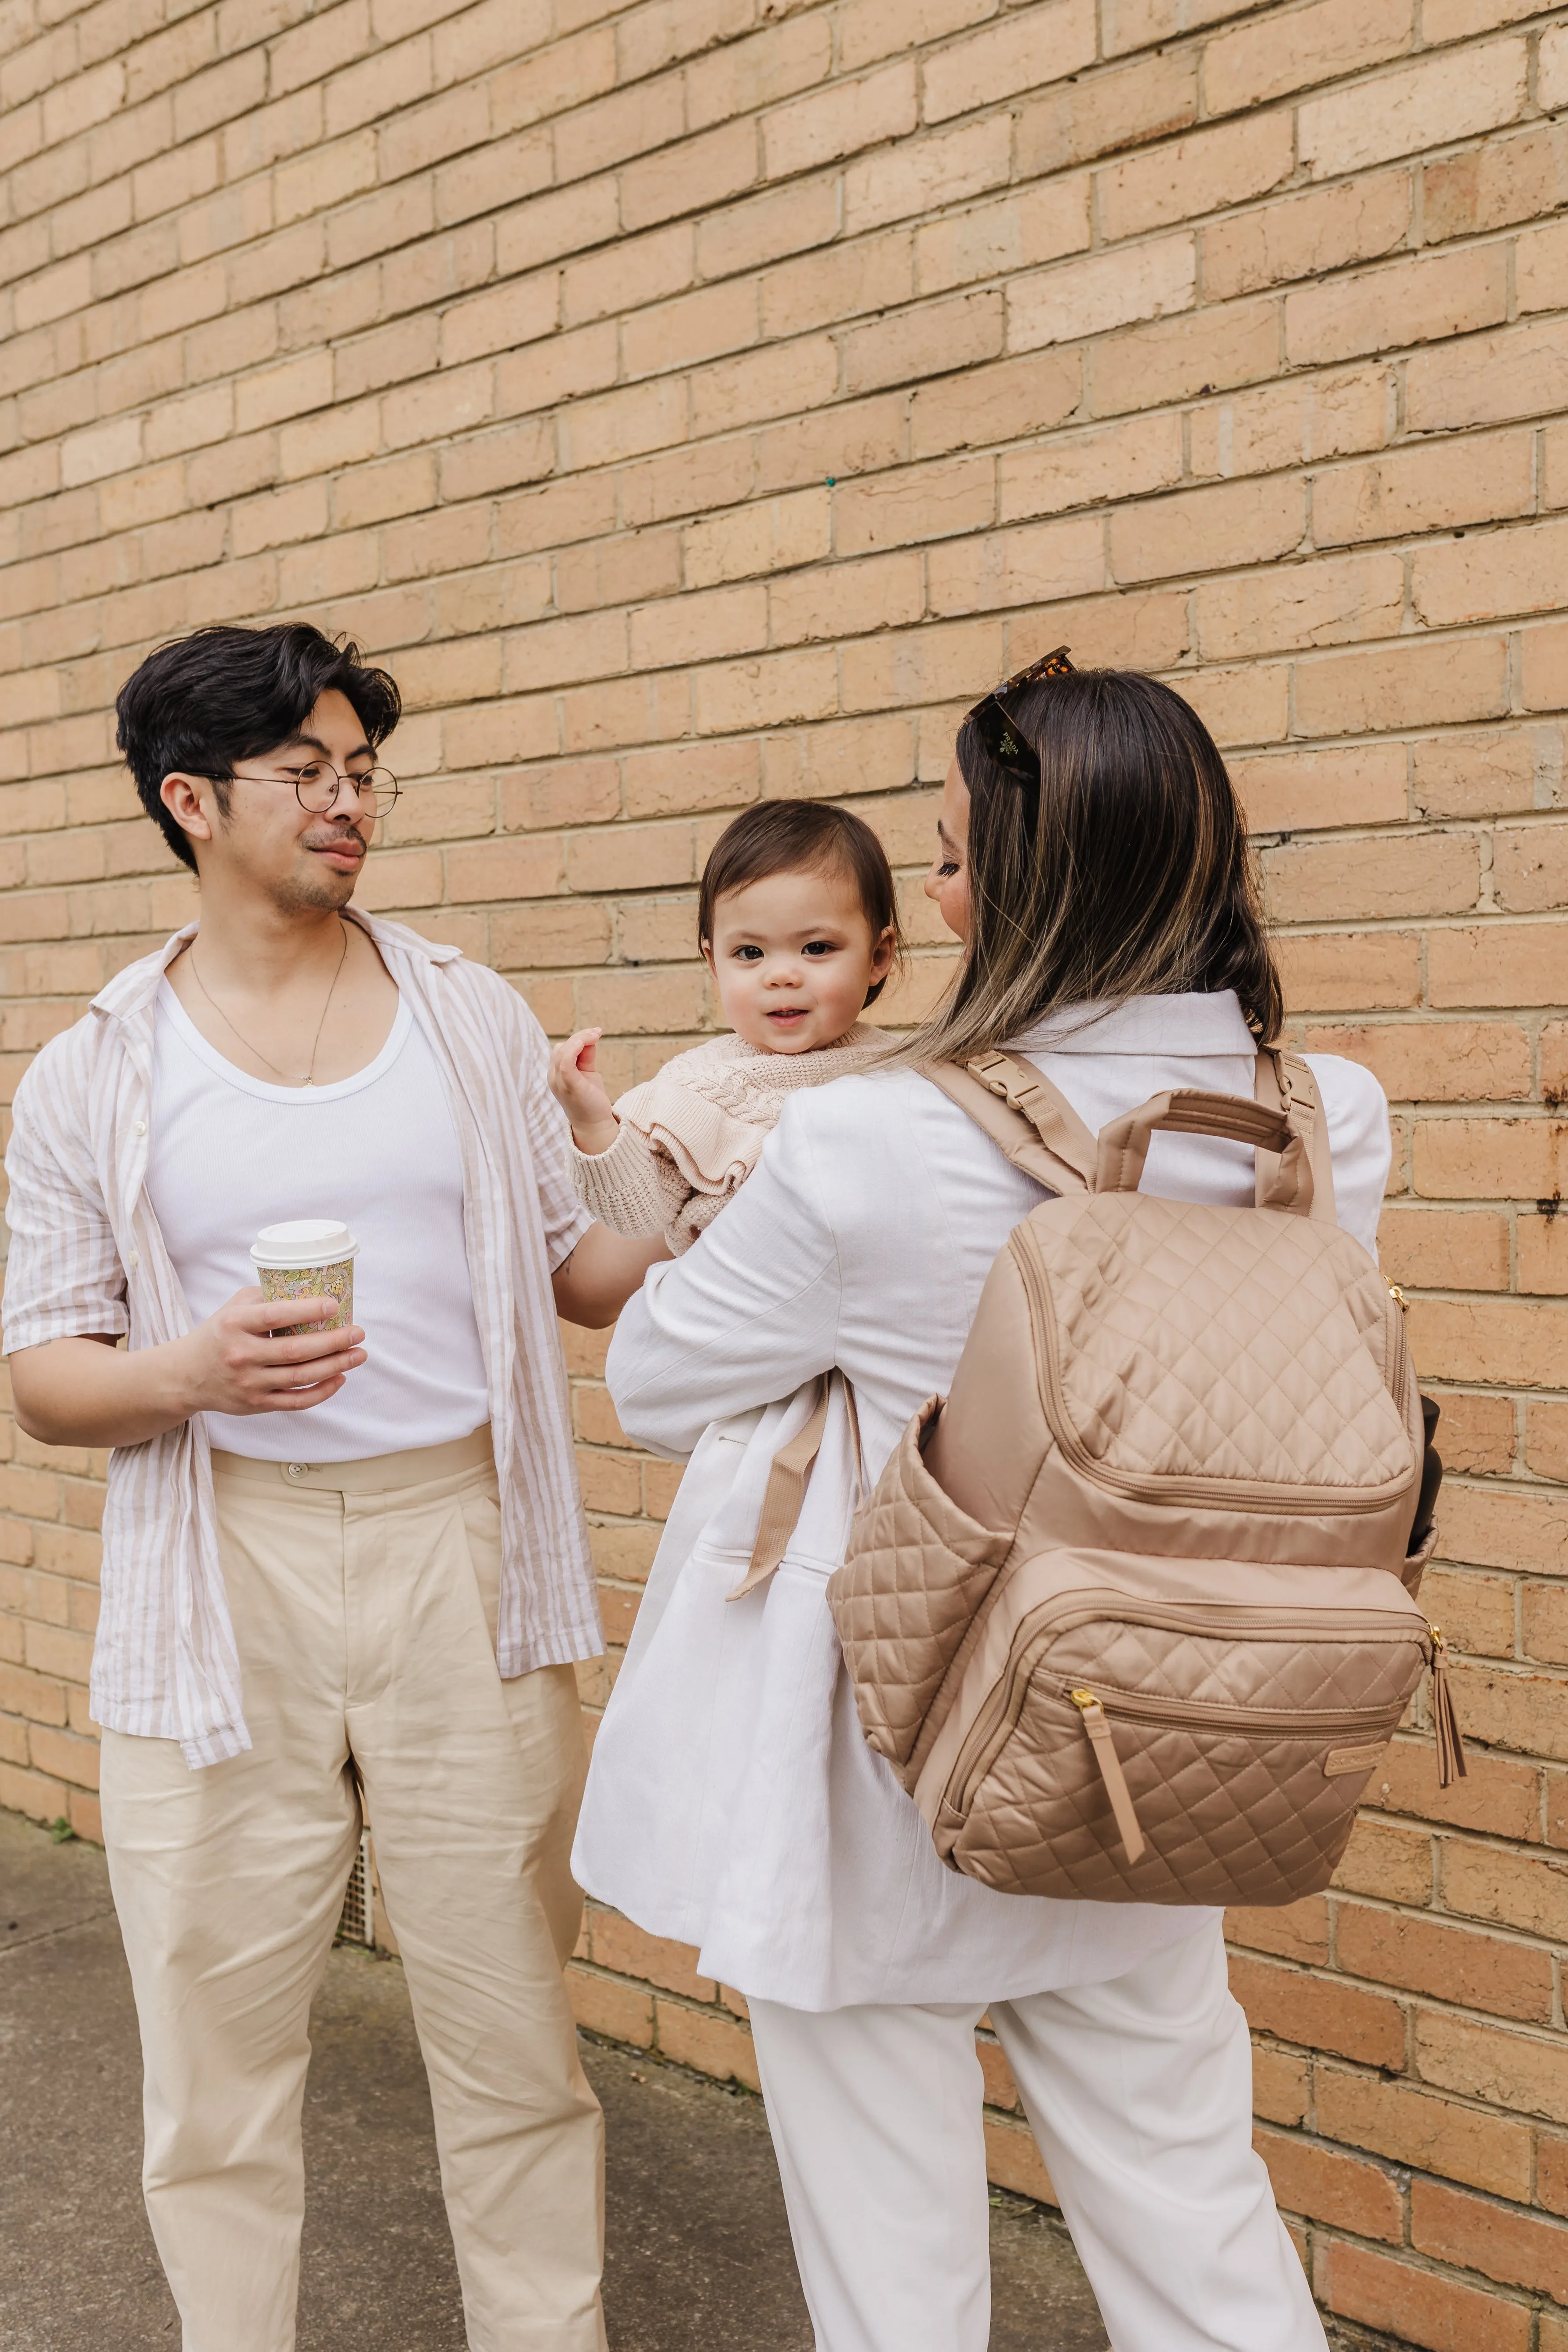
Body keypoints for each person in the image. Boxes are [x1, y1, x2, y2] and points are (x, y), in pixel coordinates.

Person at [586, 659, 1386, 2352]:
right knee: (1195, 2208)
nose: (935, 891)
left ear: (1028, 877)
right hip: (1159, 1729)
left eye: (951, 856)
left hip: (887, 1734)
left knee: (900, 2276)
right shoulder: (1323, 1122)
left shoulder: (871, 1137)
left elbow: (651, 1376)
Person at [2, 622, 659, 2352]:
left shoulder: (466, 1011)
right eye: (312, 770)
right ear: (190, 798)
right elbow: (47, 1374)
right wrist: (190, 1373)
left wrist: (605, 1142)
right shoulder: (96, 1068)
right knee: (212, 2053)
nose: (352, 800)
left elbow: (589, 1282)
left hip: (462, 1539)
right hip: (223, 1562)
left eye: (365, 768)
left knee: (514, 2029)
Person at [548, 799, 899, 1254]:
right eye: (751, 953)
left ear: (878, 956)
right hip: (738, 1312)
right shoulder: (700, 1086)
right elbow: (637, 1214)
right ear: (714, 962)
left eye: (816, 947)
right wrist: (592, 1122)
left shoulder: (905, 1071)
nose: (782, 976)